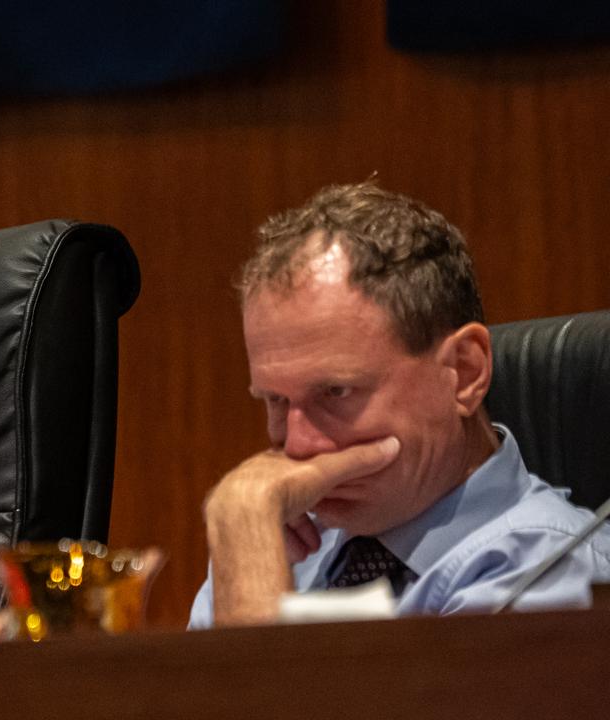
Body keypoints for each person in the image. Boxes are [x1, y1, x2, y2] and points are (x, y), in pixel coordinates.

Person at [189, 182, 610, 628]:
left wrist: (245, 526)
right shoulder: (278, 537)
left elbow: (262, 701)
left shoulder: (552, 573)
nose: (298, 446)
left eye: (335, 392)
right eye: (275, 400)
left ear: (465, 373)